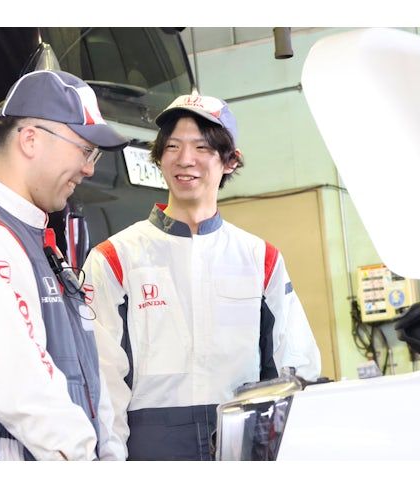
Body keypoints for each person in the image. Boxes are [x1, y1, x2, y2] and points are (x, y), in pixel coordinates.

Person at [82, 92, 321, 460]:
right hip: (149, 449)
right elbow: (101, 378)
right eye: (172, 146)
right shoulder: (115, 258)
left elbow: (295, 363)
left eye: (202, 147)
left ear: (230, 160)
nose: (185, 159)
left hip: (243, 442)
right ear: (159, 157)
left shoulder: (260, 258)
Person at [0, 70, 129, 461]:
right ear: (30, 140)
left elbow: (91, 375)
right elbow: (23, 390)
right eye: (84, 150)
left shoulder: (38, 241)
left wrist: (109, 455)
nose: (90, 169)